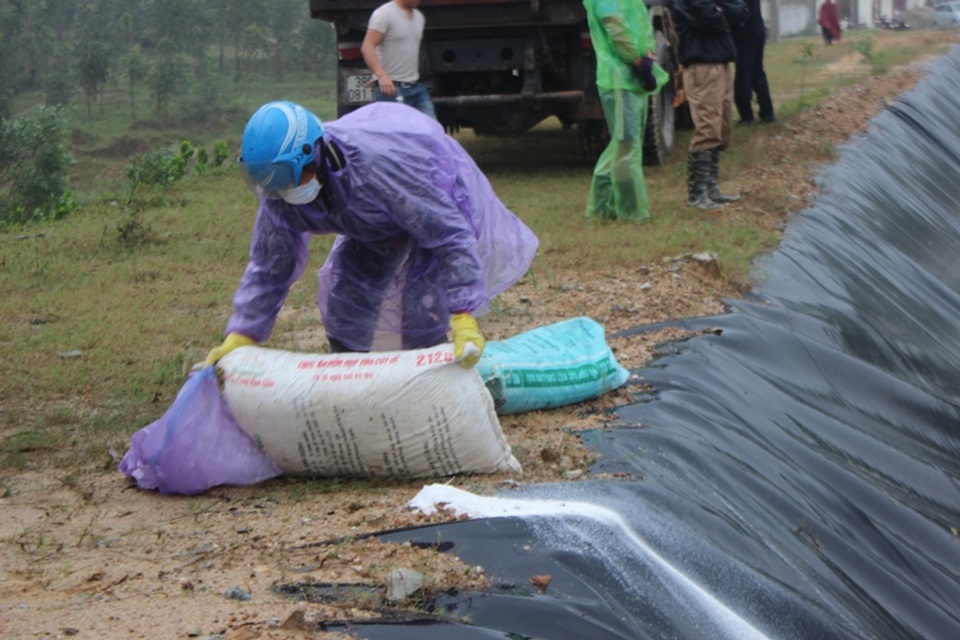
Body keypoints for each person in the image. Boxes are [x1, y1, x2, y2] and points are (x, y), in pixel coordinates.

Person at [201, 100, 538, 370]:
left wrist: (463, 315)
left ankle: (430, 384)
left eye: (286, 177)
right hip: (372, 221)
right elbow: (270, 266)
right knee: (347, 300)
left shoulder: (382, 169)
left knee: (420, 308)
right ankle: (352, 381)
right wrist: (242, 334)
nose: (282, 190)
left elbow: (448, 238)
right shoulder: (280, 192)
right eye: (270, 182)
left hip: (431, 188)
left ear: (313, 154)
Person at [582, 0, 668, 222]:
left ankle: (602, 207)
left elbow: (640, 22)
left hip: (630, 78)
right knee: (626, 144)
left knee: (623, 143)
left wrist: (647, 53)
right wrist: (638, 60)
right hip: (620, 78)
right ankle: (630, 211)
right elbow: (617, 29)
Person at [672, 0, 748, 210]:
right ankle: (696, 194)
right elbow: (710, 19)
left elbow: (742, 12)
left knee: (722, 127)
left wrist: (722, 8)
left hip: (721, 60)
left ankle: (712, 188)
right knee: (708, 127)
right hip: (702, 65)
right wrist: (722, 12)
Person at [361, 0, 436, 117]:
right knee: (392, 128)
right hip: (391, 89)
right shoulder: (384, 14)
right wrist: (381, 76)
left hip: (415, 86)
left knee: (430, 126)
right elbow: (367, 47)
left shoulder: (419, 18)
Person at [732, 0, 776, 126]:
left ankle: (746, 115)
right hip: (757, 27)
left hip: (744, 31)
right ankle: (767, 112)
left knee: (744, 73)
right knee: (757, 72)